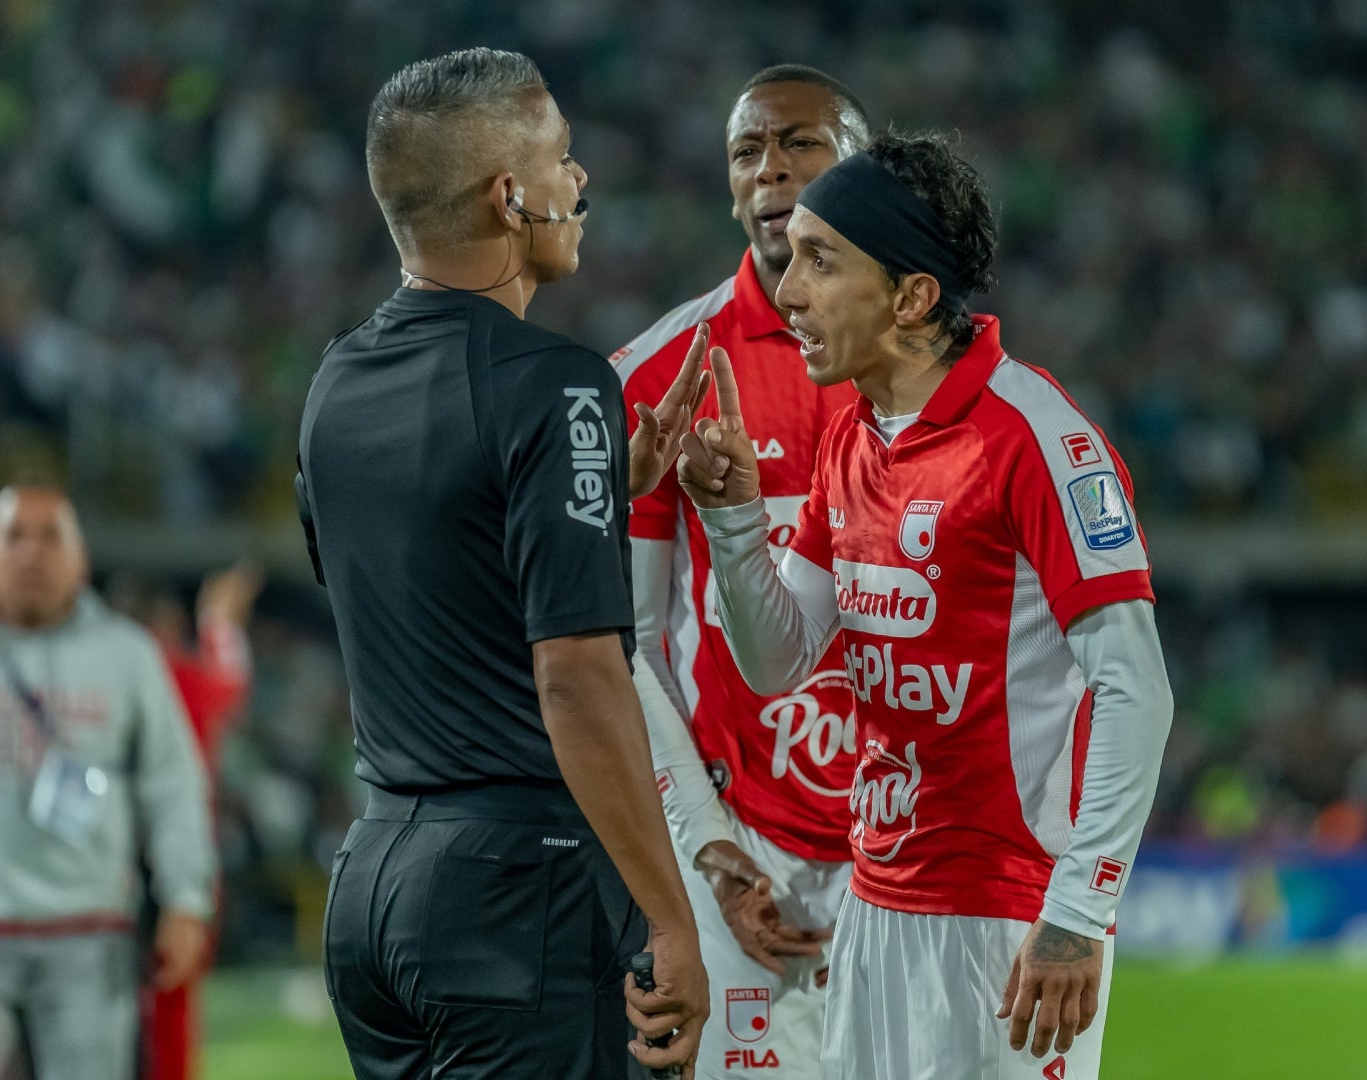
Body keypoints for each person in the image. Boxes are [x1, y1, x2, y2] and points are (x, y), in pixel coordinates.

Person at [675, 133, 1176, 1078]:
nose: (789, 291)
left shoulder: (1036, 442)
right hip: (876, 905)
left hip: (1007, 922)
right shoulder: (852, 443)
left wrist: (1078, 914)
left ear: (911, 299)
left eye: (822, 261)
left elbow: (1136, 690)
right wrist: (737, 523)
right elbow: (781, 664)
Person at [297, 47, 710, 1079]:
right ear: (509, 195)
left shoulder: (333, 385)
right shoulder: (558, 384)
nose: (579, 184)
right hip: (520, 889)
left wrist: (595, 501)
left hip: (376, 877)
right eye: (563, 159)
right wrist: (672, 921)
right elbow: (574, 676)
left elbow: (432, 580)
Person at [613, 64, 869, 1079]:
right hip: (742, 853)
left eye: (801, 144)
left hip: (911, 859)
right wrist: (711, 851)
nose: (772, 169)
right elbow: (625, 646)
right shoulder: (661, 375)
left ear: (865, 169)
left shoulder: (930, 376)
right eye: (747, 151)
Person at [0, 486, 216, 1080]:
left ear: (81, 560)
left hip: (89, 935)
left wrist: (186, 896)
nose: (31, 553)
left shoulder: (129, 657)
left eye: (51, 536)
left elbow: (172, 785)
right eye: (13, 535)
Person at [114, 562, 262, 1080]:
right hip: (183, 863)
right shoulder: (183, 676)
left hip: (104, 868)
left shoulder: (100, 682)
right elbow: (233, 685)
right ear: (169, 626)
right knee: (173, 1010)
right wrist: (218, 620)